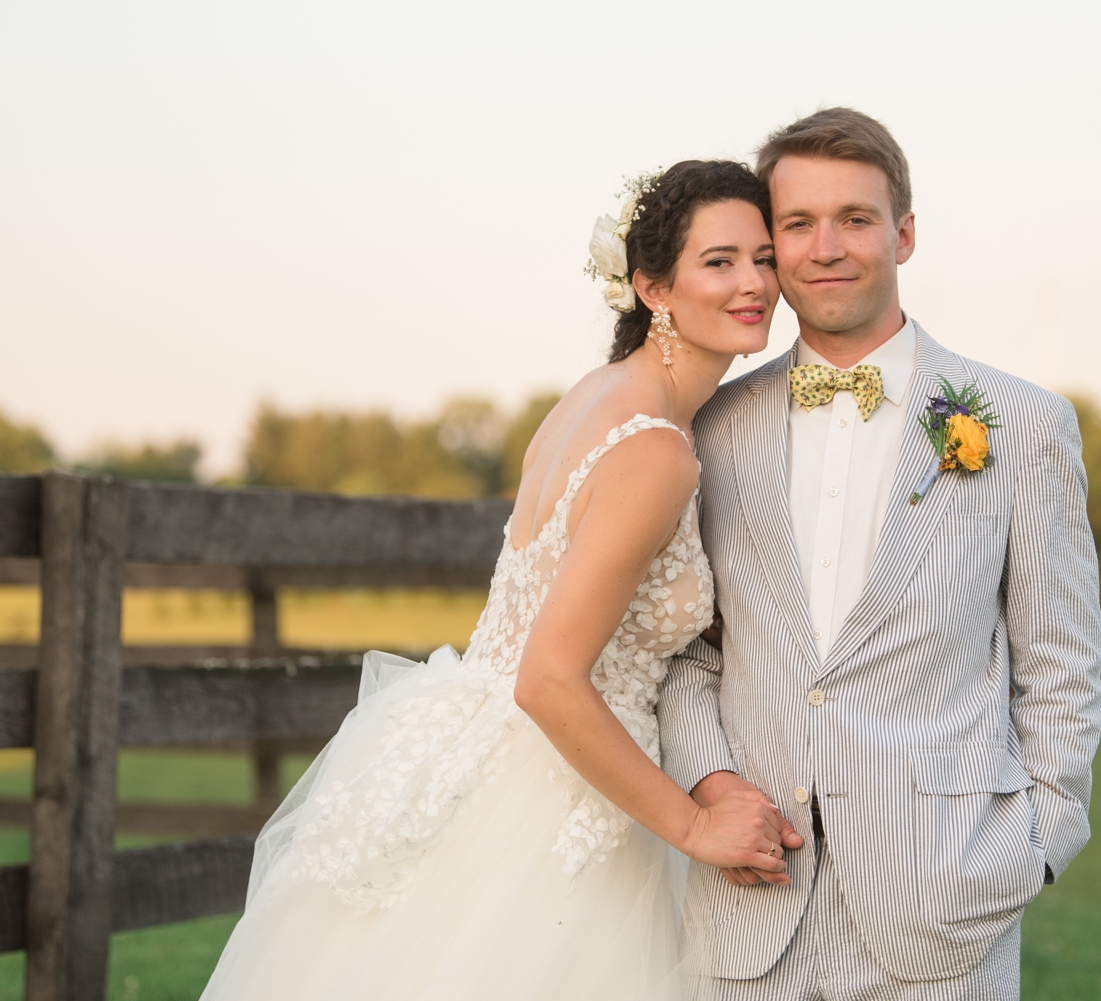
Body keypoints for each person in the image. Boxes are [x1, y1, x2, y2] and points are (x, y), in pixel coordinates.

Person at [200, 159, 799, 1000]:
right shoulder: (655, 449)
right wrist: (694, 823)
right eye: (720, 261)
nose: (755, 283)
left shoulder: (594, 398)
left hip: (473, 750)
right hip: (552, 791)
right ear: (651, 286)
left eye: (764, 257)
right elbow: (550, 678)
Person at [658, 108, 1101, 1001]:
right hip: (748, 917)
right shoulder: (710, 430)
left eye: (855, 219)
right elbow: (684, 651)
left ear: (903, 233)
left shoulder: (1023, 427)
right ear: (772, 246)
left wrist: (1033, 848)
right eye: (798, 223)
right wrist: (711, 785)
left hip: (943, 913)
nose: (827, 247)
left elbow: (1062, 666)